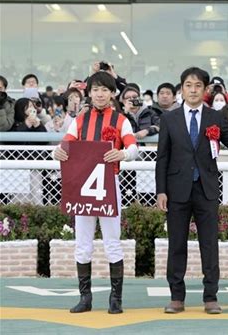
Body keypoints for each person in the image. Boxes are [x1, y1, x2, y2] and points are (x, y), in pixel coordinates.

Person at [156, 67, 228, 315]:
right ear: (181, 89)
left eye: (197, 86)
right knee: (176, 245)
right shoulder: (169, 119)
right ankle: (176, 297)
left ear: (205, 90)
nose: (193, 90)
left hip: (206, 190)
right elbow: (162, 158)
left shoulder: (215, 117)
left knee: (209, 245)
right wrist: (161, 191)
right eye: (188, 85)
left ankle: (211, 297)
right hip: (176, 191)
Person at [53, 71, 138, 315]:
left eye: (105, 90)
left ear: (112, 94)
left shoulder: (121, 120)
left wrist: (122, 154)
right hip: (83, 188)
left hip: (110, 186)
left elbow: (133, 147)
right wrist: (56, 153)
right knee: (82, 244)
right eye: (95, 90)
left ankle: (116, 299)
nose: (100, 94)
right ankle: (85, 298)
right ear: (88, 93)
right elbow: (64, 146)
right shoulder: (80, 120)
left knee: (113, 242)